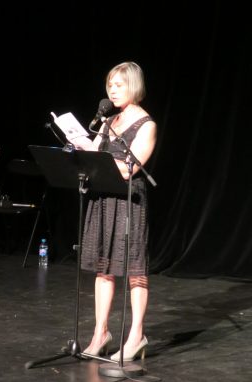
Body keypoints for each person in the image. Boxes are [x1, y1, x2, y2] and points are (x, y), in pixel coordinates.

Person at [78, 61, 157, 361]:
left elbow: (129, 169)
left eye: (119, 84)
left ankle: (136, 336)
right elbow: (95, 154)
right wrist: (81, 146)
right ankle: (101, 333)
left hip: (129, 200)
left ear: (133, 86)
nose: (112, 90)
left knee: (135, 270)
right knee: (103, 267)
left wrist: (100, 157)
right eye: (109, 85)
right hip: (103, 197)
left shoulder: (147, 125)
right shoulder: (109, 120)